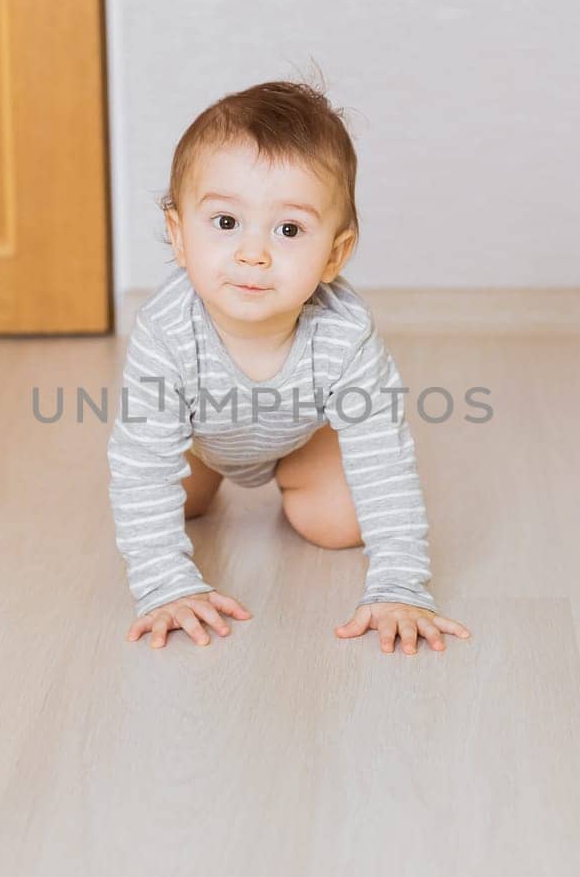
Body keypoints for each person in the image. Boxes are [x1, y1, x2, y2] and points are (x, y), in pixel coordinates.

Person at [107, 80, 471, 655]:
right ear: (178, 236)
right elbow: (141, 466)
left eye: (289, 230)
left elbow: (384, 456)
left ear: (334, 254)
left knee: (339, 524)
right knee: (173, 506)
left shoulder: (344, 333)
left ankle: (292, 476)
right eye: (226, 223)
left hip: (299, 438)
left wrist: (401, 584)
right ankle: (207, 486)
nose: (254, 253)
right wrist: (165, 586)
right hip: (197, 442)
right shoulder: (166, 330)